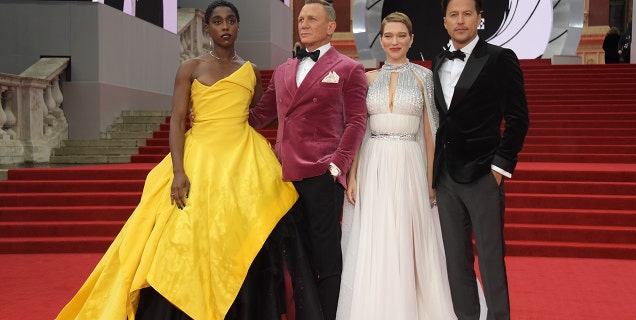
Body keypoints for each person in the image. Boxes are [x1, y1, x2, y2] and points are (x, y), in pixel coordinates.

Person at [56, 1, 300, 319]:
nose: (224, 27)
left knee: (240, 229)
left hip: (244, 159)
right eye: (217, 21)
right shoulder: (191, 68)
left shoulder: (252, 71)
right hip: (200, 157)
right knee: (187, 232)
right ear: (207, 28)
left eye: (230, 21)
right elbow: (177, 121)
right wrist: (179, 171)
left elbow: (258, 115)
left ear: (238, 26)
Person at [336, 12, 487, 320]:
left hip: (409, 165)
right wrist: (352, 176)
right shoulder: (367, 79)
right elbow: (360, 131)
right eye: (388, 36)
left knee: (411, 237)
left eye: (401, 36)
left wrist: (432, 179)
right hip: (374, 165)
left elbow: (431, 132)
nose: (394, 42)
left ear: (411, 39)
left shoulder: (424, 77)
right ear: (381, 40)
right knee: (376, 238)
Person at [248, 1, 368, 319]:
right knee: (294, 256)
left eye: (312, 19)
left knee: (326, 257)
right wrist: (217, 112)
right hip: (284, 177)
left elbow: (356, 122)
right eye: (300, 19)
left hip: (321, 175)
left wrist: (336, 166)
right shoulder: (285, 68)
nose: (303, 24)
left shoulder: (348, 68)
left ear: (330, 26)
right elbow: (260, 117)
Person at [432, 0, 529, 319]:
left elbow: (518, 118)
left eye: (467, 14)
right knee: (456, 262)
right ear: (444, 21)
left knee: (490, 260)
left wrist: (499, 169)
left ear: (479, 19)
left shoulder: (500, 59)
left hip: (484, 175)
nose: (460, 21)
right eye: (454, 15)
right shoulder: (437, 61)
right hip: (446, 178)